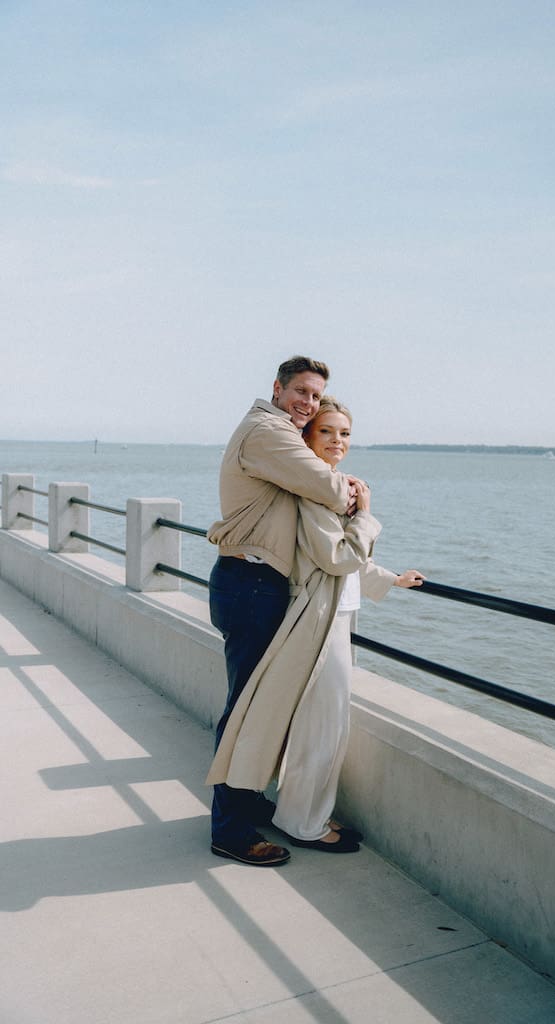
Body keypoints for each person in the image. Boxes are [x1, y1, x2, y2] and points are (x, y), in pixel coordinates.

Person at [207, 396, 424, 853]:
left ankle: (295, 814)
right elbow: (336, 556)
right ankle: (304, 823)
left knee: (316, 725)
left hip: (335, 620)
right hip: (317, 625)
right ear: (306, 438)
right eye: (326, 432)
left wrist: (390, 579)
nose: (337, 441)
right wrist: (366, 518)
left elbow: (348, 565)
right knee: (320, 727)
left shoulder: (329, 487)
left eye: (344, 433)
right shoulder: (314, 489)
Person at [206, 357, 360, 867]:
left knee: (255, 705)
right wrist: (360, 493)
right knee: (246, 711)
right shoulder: (269, 432)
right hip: (250, 584)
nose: (307, 403)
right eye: (301, 392)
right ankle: (229, 829)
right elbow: (330, 488)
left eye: (315, 397)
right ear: (277, 388)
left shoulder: (275, 433)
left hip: (257, 584)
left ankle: (245, 805)